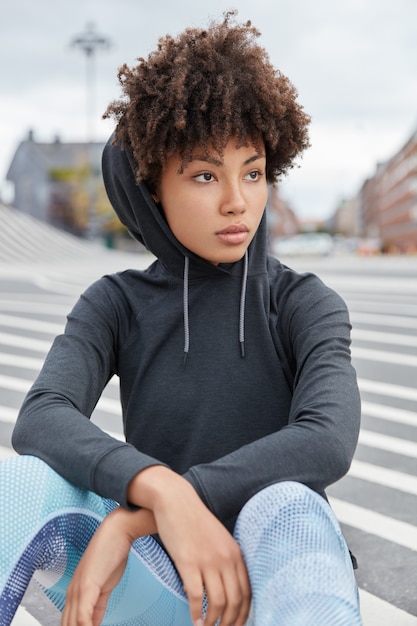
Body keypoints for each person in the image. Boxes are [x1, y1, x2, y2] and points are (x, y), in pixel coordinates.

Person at [0, 11, 362, 626]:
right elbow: (42, 417)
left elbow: (326, 438)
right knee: (22, 484)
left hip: (271, 573)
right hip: (157, 577)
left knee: (292, 506)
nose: (236, 201)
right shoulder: (114, 303)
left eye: (252, 172)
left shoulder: (303, 301)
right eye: (204, 174)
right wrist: (158, 491)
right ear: (152, 188)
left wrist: (158, 506)